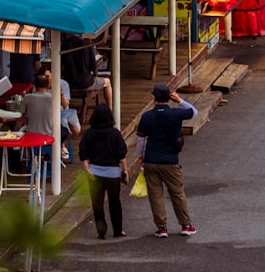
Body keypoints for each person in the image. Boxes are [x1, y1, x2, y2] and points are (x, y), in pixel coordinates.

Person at [136, 84, 197, 238]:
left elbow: (140, 139)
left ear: (154, 98)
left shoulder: (146, 116)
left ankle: (162, 228)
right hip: (170, 160)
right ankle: (186, 225)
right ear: (169, 98)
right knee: (177, 193)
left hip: (151, 160)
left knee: (155, 195)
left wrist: (140, 156)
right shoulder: (176, 114)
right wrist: (180, 100)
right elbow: (194, 112)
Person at [79, 104, 129, 240]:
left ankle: (101, 232)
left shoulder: (88, 133)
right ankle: (118, 230)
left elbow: (83, 153)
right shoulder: (114, 133)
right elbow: (121, 155)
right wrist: (125, 170)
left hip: (94, 172)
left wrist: (87, 169)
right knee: (114, 202)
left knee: (97, 204)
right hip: (113, 173)